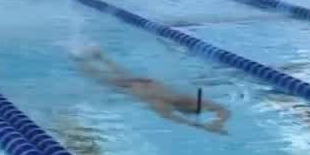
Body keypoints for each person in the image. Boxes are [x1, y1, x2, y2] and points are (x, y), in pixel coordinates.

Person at [73, 46, 231, 135]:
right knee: (123, 72)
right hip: (140, 82)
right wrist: (219, 121)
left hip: (127, 86)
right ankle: (100, 58)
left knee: (103, 77)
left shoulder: (161, 105)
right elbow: (221, 108)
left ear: (185, 108)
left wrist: (206, 127)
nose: (193, 101)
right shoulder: (183, 98)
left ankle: (80, 61)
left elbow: (177, 119)